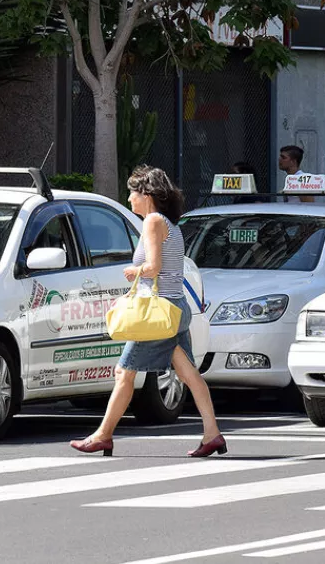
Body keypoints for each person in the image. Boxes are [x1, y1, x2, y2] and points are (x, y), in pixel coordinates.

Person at [70, 166, 225, 458]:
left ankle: (103, 436)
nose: (129, 198)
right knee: (190, 374)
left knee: (123, 373)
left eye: (132, 192)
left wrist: (134, 271)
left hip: (158, 315)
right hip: (173, 309)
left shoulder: (153, 221)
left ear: (147, 195)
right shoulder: (169, 223)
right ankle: (212, 434)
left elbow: (153, 268)